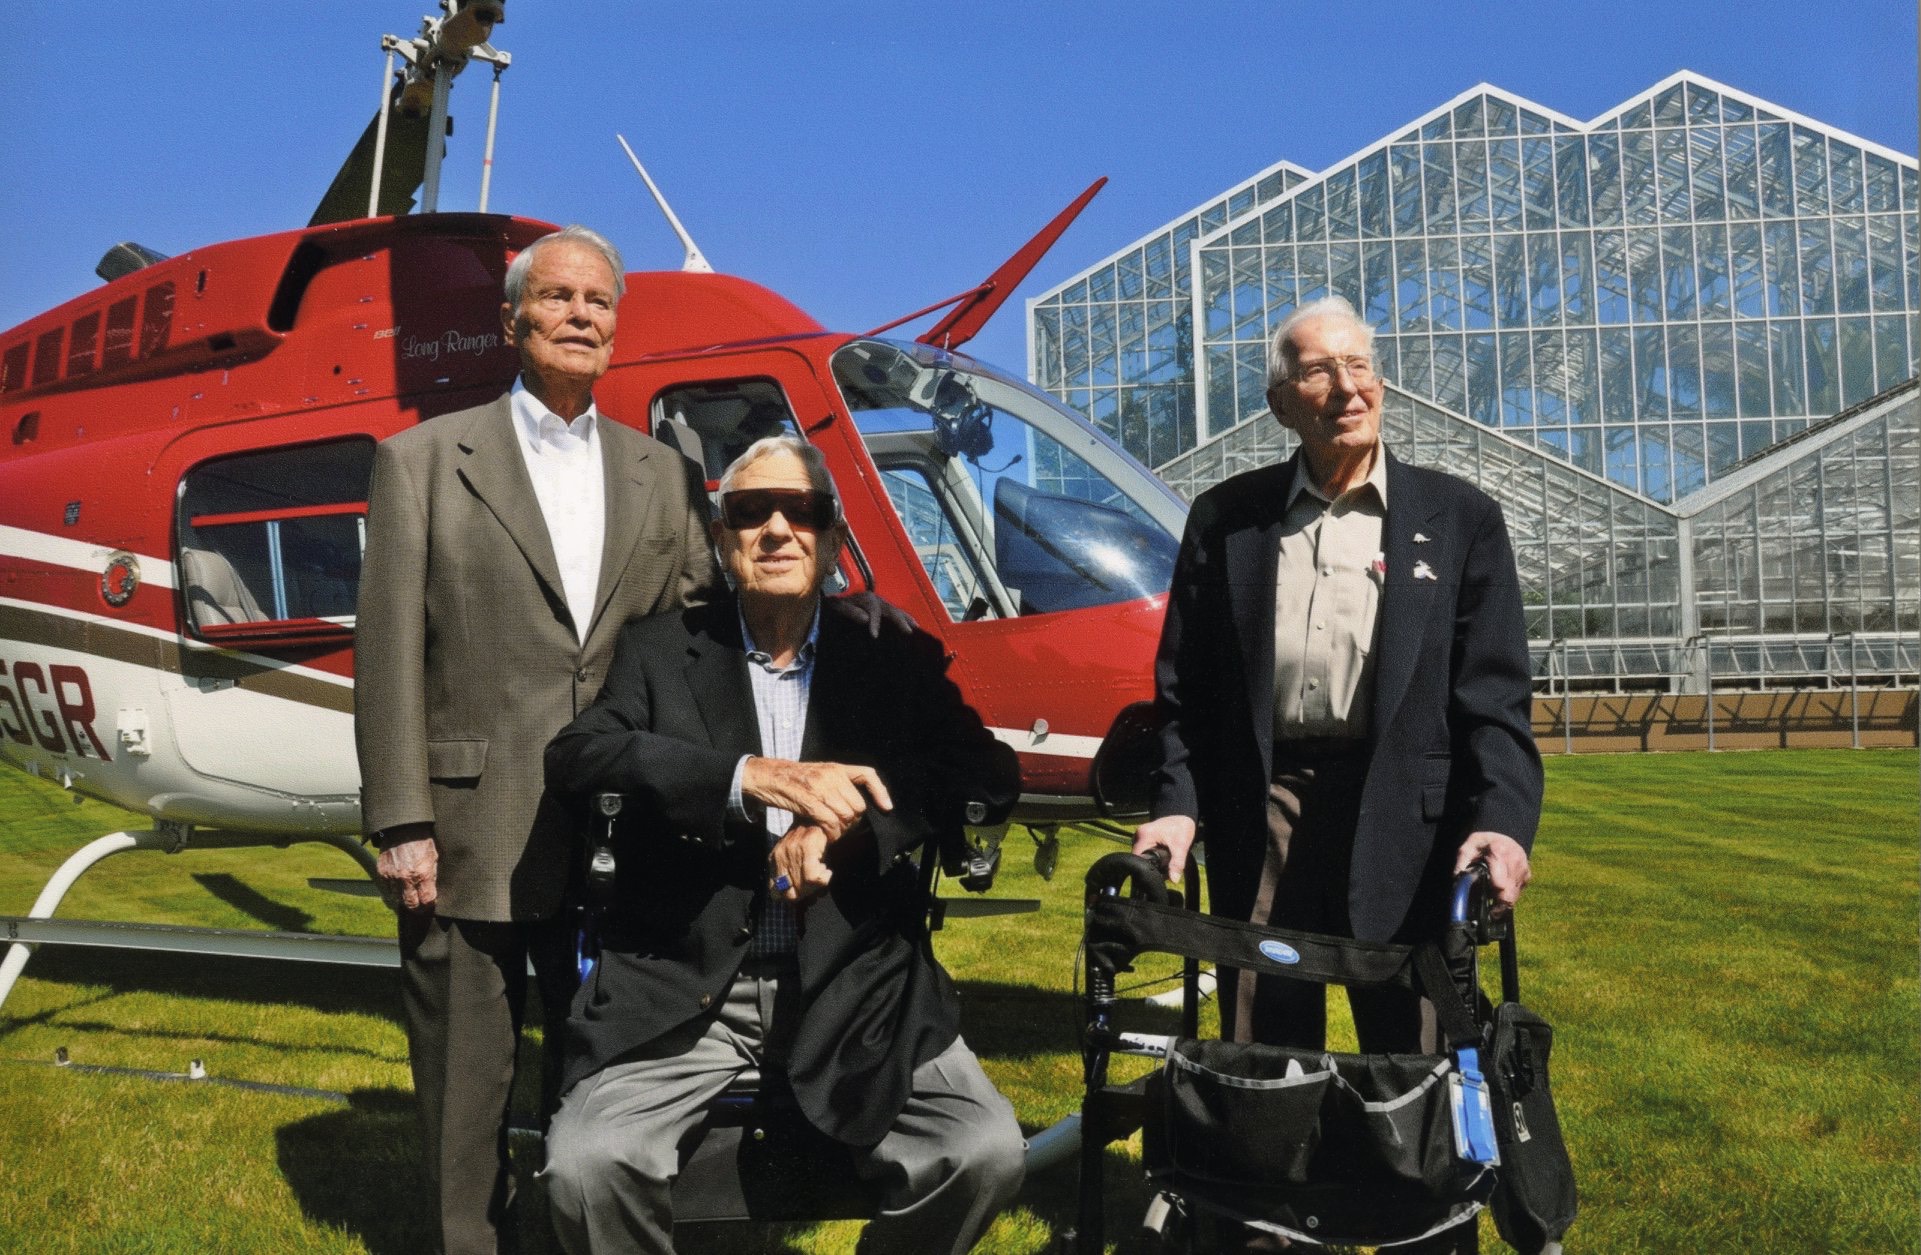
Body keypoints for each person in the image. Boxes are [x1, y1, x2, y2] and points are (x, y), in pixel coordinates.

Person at [355, 226, 903, 1253]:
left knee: (597, 1069)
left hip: (623, 829)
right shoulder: (422, 460)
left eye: (598, 302)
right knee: (467, 1079)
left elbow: (708, 624)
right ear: (509, 319)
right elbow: (384, 653)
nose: (579, 316)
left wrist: (850, 631)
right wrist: (400, 818)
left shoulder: (660, 472)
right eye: (557, 298)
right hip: (470, 823)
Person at [540, 436, 1025, 1255]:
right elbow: (578, 754)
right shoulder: (662, 649)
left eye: (801, 510)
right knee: (586, 1167)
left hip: (858, 989)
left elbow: (984, 769)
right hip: (687, 994)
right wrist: (745, 776)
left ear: (831, 538)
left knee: (981, 1152)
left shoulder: (887, 654)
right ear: (723, 539)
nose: (776, 528)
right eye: (750, 511)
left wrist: (847, 823)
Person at [1131, 296, 1542, 1254]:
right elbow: (1184, 697)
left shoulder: (1458, 517)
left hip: (1406, 813)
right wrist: (1177, 812)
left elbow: (1494, 701)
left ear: (1381, 382)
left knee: (1411, 1047)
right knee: (1258, 1041)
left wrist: (1505, 824)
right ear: (1282, 401)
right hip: (1260, 805)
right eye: (1317, 371)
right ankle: (1259, 1223)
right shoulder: (1226, 520)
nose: (1345, 386)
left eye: (1359, 365)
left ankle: (1420, 1227)